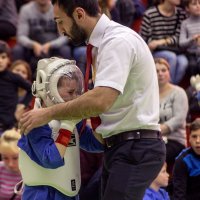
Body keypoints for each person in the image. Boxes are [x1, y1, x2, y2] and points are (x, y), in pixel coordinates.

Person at [19, 1, 166, 200]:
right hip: (120, 145)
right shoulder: (102, 43)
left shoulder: (117, 41)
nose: (60, 30)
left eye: (61, 22)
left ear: (79, 14)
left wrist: (49, 113)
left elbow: (100, 101)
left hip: (135, 146)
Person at [18, 57, 104, 200]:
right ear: (48, 88)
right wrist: (67, 126)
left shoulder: (71, 120)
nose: (75, 97)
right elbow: (51, 159)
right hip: (42, 195)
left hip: (69, 194)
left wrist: (96, 115)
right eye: (70, 92)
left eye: (78, 92)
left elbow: (96, 144)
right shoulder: (35, 123)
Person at [11, 0, 71, 76]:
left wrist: (50, 45)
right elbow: (21, 36)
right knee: (17, 50)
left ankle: (66, 78)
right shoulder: (26, 10)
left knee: (65, 50)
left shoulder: (58, 9)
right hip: (32, 48)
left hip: (53, 47)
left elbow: (64, 36)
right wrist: (33, 44)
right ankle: (16, 80)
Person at [140, 0, 188, 84]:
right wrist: (155, 43)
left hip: (175, 50)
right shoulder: (150, 14)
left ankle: (169, 87)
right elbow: (144, 39)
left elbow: (178, 37)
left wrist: (161, 42)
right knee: (171, 57)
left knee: (183, 62)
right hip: (155, 51)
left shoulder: (181, 14)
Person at [155, 57, 188, 174]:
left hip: (174, 140)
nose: (160, 74)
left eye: (164, 70)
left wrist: (156, 130)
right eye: (157, 71)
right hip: (153, 138)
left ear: (169, 72)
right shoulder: (149, 94)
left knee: (154, 155)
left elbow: (179, 119)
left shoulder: (178, 92)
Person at [0, 40, 32, 135]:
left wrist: (23, 104)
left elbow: (32, 89)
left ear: (9, 59)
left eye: (3, 57)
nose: (0, 60)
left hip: (7, 126)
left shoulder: (13, 77)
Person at [173, 118, 200, 200]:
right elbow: (179, 197)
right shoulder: (182, 161)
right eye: (194, 136)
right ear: (189, 139)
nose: (198, 141)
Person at [0, 129, 22, 200]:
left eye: (15, 158)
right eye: (5, 158)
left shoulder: (33, 172)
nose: (10, 164)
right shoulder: (1, 168)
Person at [179, 0, 200, 75]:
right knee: (192, 65)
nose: (198, 6)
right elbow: (181, 43)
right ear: (187, 8)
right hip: (191, 54)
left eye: (199, 3)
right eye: (194, 4)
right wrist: (192, 39)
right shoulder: (185, 23)